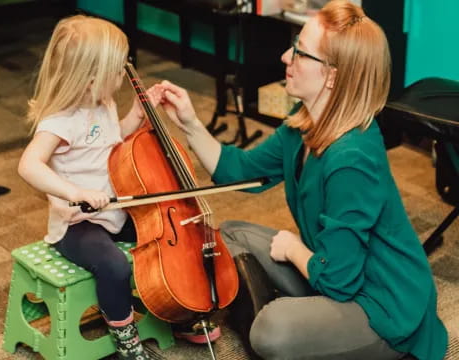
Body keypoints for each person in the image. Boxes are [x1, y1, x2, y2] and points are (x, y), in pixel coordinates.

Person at [158, 1, 448, 359]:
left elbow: (341, 281)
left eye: (299, 52)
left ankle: (293, 325)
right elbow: (242, 174)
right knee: (231, 234)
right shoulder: (306, 119)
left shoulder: (351, 160)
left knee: (272, 331)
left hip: (383, 307)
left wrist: (296, 250)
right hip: (334, 270)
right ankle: (304, 327)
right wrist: (190, 122)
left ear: (332, 76)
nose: (284, 56)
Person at [17, 15, 219, 360]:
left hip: (115, 210)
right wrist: (73, 192)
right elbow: (28, 165)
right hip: (78, 224)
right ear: (90, 76)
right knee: (114, 266)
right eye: (116, 70)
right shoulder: (60, 121)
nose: (123, 76)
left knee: (168, 242)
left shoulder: (103, 103)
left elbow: (113, 142)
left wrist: (137, 114)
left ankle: (179, 308)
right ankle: (126, 339)